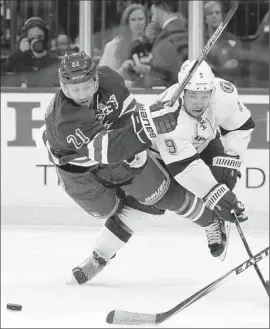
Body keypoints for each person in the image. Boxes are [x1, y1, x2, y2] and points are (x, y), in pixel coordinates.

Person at [35, 52, 248, 286]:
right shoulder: (63, 120)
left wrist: (142, 126)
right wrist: (147, 124)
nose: (82, 95)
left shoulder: (111, 81)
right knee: (109, 209)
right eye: (74, 90)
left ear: (96, 78)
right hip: (79, 170)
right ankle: (105, 250)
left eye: (86, 87)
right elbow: (106, 151)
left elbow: (128, 117)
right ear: (63, 88)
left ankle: (100, 256)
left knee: (158, 193)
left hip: (122, 149)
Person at [98, 3, 152, 87]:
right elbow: (101, 77)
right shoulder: (114, 45)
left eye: (140, 19)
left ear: (146, 21)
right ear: (127, 22)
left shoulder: (151, 43)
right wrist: (122, 70)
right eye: (133, 20)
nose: (137, 23)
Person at [1, 16, 60, 87]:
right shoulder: (18, 58)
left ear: (45, 39)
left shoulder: (53, 60)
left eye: (40, 36)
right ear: (25, 39)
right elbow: (4, 72)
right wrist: (19, 53)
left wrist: (43, 57)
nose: (36, 39)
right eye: (32, 36)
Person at [143, 0, 188, 88]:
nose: (151, 17)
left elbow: (155, 81)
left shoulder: (165, 40)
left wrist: (133, 85)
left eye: (152, 5)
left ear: (159, 8)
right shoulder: (190, 29)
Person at [204, 1, 242, 84]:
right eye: (210, 13)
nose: (214, 16)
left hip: (227, 84)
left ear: (222, 16)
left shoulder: (233, 40)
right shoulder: (198, 40)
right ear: (205, 18)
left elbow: (235, 66)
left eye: (217, 13)